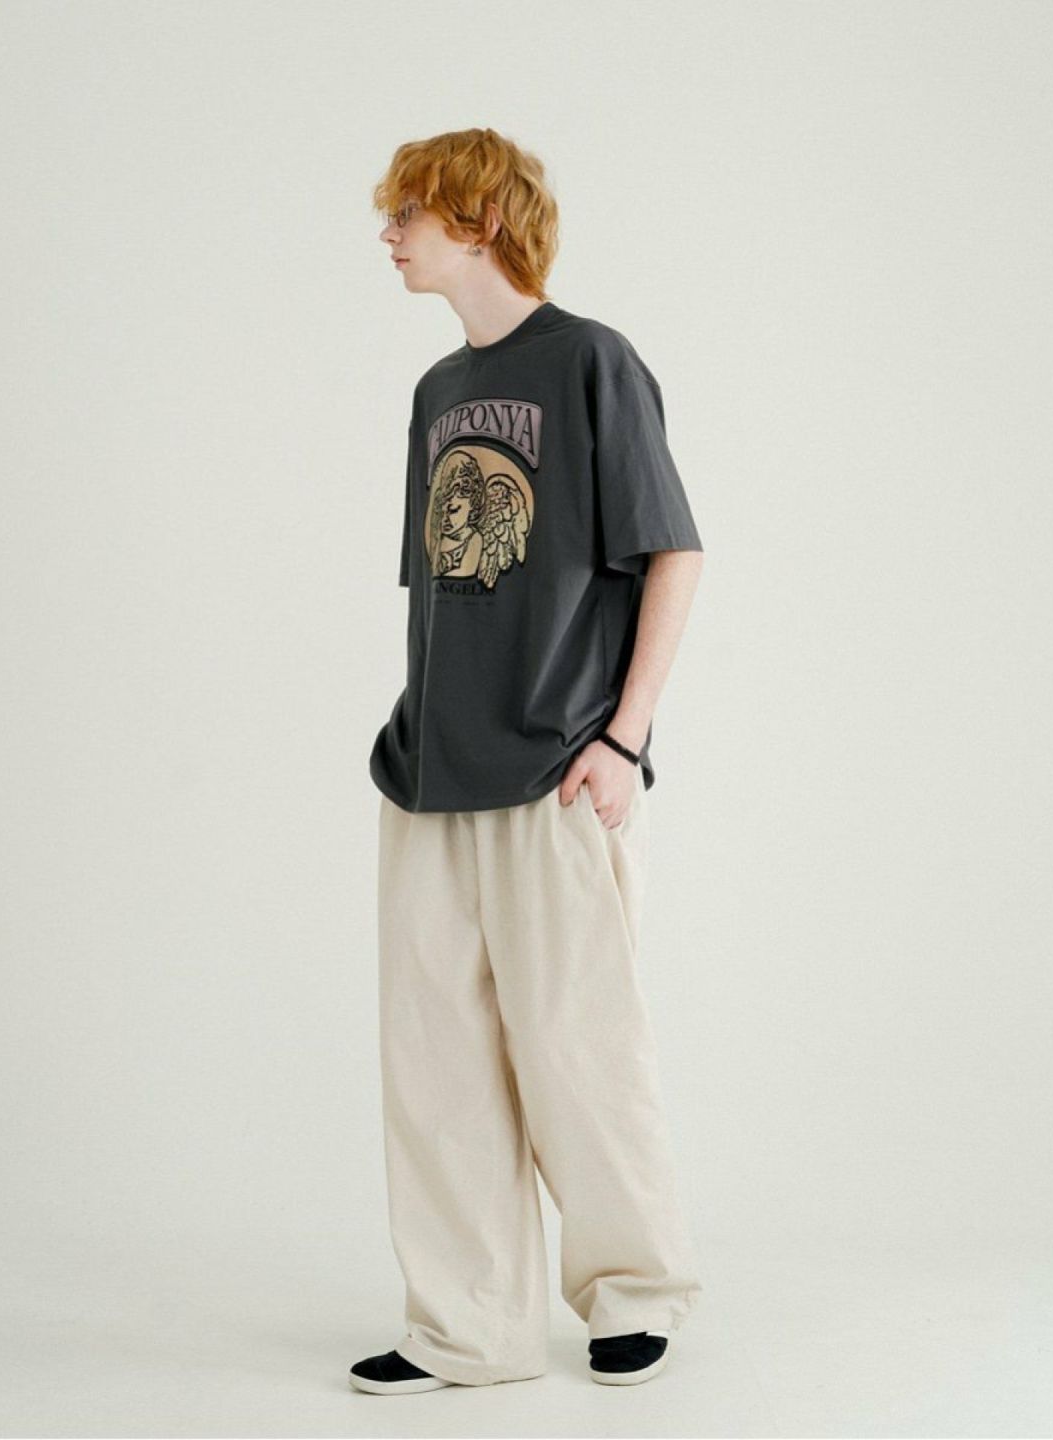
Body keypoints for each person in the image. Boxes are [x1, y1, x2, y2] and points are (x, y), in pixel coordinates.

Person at [351, 127, 705, 1395]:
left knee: (576, 1047)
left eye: (408, 212)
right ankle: (470, 1328)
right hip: (428, 773)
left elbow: (673, 553)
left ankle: (633, 1295)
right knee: (435, 1065)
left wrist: (625, 738)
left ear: (480, 218)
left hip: (557, 765)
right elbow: (450, 589)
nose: (389, 234)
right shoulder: (436, 393)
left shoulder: (591, 360)